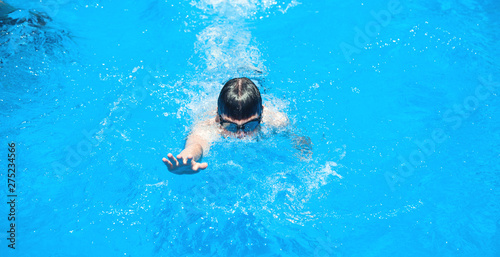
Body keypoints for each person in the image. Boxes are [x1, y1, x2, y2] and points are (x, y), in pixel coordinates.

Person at [162, 77, 300, 175]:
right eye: (230, 126)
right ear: (218, 117)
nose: (240, 135)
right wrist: (188, 157)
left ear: (262, 114)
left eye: (249, 125)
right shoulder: (208, 124)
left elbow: (297, 138)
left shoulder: (276, 120)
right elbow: (197, 142)